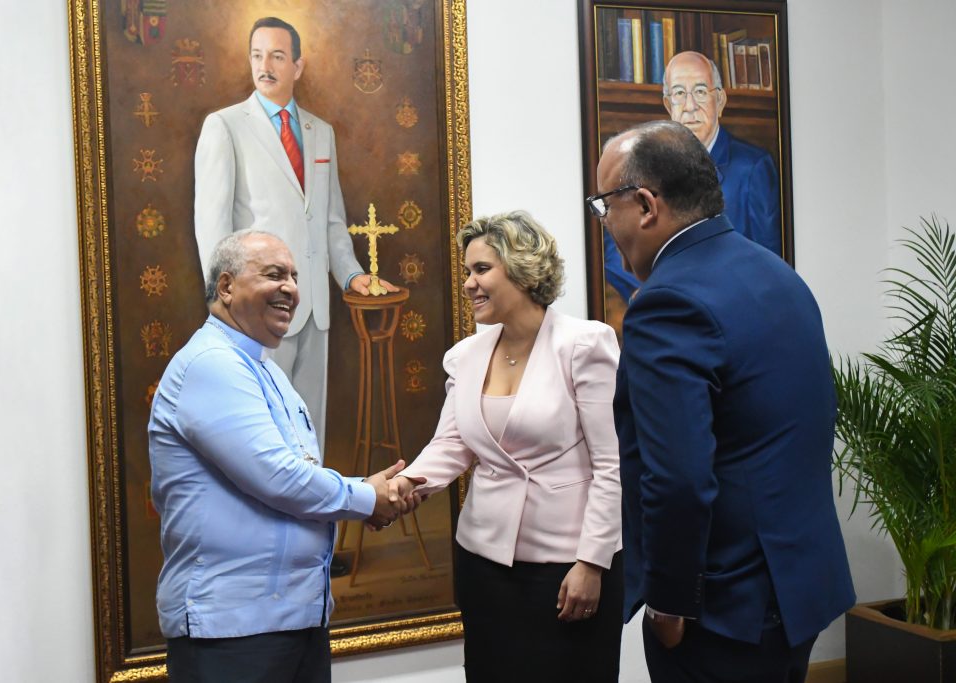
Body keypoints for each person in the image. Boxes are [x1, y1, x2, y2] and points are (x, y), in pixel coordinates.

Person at [592, 120, 854, 682]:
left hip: (725, 610)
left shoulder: (666, 303)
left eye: (605, 205)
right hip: (797, 587)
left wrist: (669, 603)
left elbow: (677, 477)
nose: (605, 222)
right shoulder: (777, 274)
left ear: (645, 205)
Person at [149, 230, 412, 683]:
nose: (290, 288)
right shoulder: (212, 364)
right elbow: (278, 477)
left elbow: (298, 474)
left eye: (294, 276)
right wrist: (368, 497)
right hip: (233, 634)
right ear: (226, 286)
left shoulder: (263, 368)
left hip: (291, 623)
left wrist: (367, 495)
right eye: (274, 275)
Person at [388, 211, 624, 681]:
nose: (468, 284)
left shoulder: (584, 344)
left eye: (481, 269)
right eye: (467, 271)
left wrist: (592, 563)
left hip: (567, 567)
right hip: (483, 565)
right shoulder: (465, 356)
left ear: (522, 269)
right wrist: (406, 484)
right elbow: (452, 444)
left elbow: (610, 465)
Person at [194, 16, 397, 450]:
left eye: (276, 56)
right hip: (254, 308)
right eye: (257, 55)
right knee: (263, 438)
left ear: (298, 66)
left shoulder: (320, 133)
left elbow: (330, 221)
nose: (264, 66)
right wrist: (225, 303)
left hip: (314, 307)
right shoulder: (225, 126)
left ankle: (312, 499)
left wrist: (351, 275)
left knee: (308, 433)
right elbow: (212, 225)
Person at [602, 50, 781, 316]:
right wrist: (657, 294)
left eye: (699, 92)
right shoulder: (642, 169)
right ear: (668, 104)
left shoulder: (753, 168)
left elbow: (769, 259)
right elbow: (612, 251)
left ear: (720, 100)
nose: (690, 106)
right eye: (679, 93)